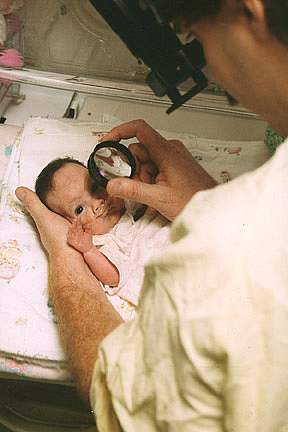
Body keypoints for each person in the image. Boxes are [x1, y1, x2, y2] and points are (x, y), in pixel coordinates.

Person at [15, 0, 288, 430]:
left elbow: (124, 401)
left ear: (248, 10)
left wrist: (65, 263)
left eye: (196, 39)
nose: (207, 68)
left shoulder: (235, 244)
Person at [35, 157, 170, 306]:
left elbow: (156, 189)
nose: (97, 203)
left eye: (94, 188)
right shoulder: (103, 243)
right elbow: (114, 277)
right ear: (70, 223)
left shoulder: (128, 198)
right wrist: (88, 250)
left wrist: (148, 173)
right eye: (80, 209)